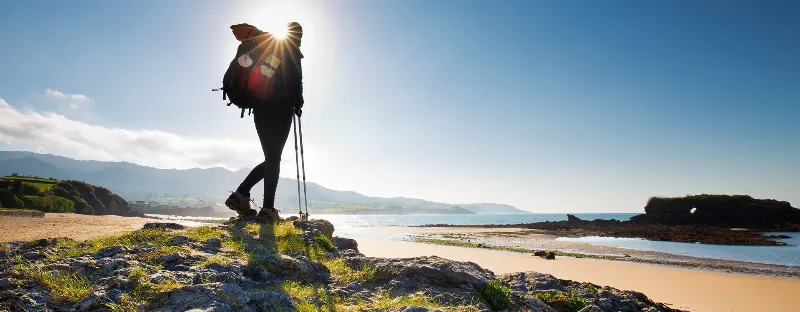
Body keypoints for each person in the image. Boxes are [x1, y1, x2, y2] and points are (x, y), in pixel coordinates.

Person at [224, 22, 304, 223]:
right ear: (297, 35)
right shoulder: (291, 48)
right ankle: (267, 208)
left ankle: (240, 196)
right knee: (273, 157)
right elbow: (295, 80)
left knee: (271, 157)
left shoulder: (264, 46)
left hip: (259, 107)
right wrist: (298, 102)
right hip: (280, 107)